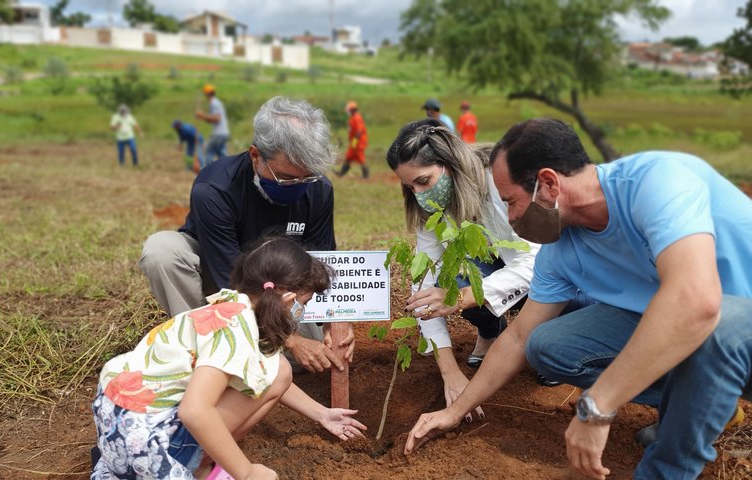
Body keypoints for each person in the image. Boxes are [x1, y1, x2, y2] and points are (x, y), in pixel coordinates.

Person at [404, 118, 752, 480]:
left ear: (549, 184)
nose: (508, 217)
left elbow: (696, 303)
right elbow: (518, 337)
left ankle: (670, 462)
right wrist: (455, 410)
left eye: (510, 202)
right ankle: (697, 403)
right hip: (689, 329)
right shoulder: (562, 250)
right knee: (547, 344)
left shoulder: (658, 181)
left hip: (736, 323)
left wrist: (597, 406)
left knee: (717, 325)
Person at [91, 237, 367, 480]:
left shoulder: (233, 306)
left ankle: (196, 461)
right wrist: (246, 472)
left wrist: (323, 415)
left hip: (119, 417)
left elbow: (270, 375)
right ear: (288, 300)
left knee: (279, 369)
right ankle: (187, 463)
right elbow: (194, 410)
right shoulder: (233, 331)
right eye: (303, 304)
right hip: (141, 439)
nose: (301, 312)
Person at [141, 96, 354, 375]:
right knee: (162, 251)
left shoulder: (319, 189)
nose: (298, 187)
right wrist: (290, 339)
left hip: (282, 288)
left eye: (307, 177)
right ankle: (204, 347)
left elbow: (320, 262)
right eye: (287, 178)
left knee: (314, 359)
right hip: (221, 281)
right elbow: (226, 282)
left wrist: (333, 321)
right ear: (256, 155)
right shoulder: (215, 190)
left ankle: (255, 349)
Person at [386, 118, 540, 420]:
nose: (418, 194)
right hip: (499, 267)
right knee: (450, 279)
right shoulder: (430, 210)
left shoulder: (499, 183)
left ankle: (542, 337)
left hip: (550, 269)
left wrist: (462, 298)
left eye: (424, 181)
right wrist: (451, 373)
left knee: (555, 330)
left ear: (450, 164)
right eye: (409, 186)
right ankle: (491, 331)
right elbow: (425, 282)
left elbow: (538, 263)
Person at [196, 84, 230, 166]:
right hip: (224, 133)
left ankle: (208, 173)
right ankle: (225, 174)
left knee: (209, 151)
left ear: (206, 94)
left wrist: (202, 115)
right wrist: (203, 117)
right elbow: (213, 120)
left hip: (218, 134)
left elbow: (216, 119)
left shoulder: (213, 103)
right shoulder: (217, 102)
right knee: (221, 154)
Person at [336, 101, 369, 179]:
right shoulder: (353, 118)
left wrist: (354, 142)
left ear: (352, 110)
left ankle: (366, 175)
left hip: (359, 143)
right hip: (354, 143)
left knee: (361, 159)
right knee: (348, 157)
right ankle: (341, 173)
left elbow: (359, 132)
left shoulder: (357, 118)